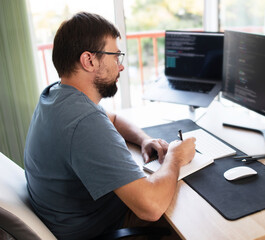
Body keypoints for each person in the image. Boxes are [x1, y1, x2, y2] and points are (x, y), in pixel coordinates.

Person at [24, 12, 196, 240]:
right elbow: (151, 207)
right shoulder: (83, 122)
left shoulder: (57, 95)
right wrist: (175, 156)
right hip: (99, 231)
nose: (121, 67)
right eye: (115, 57)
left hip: (75, 218)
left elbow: (112, 118)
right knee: (192, 220)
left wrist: (144, 139)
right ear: (89, 60)